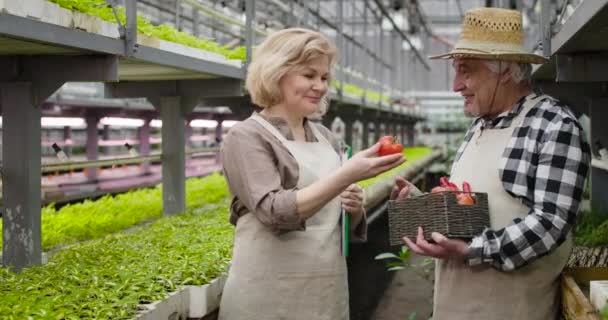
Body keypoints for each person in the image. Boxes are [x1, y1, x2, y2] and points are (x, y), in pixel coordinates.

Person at [392, 7, 590, 320]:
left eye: (466, 70)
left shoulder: (553, 126)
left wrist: (471, 250)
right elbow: (472, 205)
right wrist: (423, 205)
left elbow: (551, 224)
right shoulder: (481, 126)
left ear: (505, 69)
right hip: (453, 307)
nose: (455, 85)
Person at [218, 28, 405, 320]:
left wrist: (354, 209)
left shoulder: (326, 138)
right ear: (277, 72)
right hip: (266, 295)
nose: (320, 86)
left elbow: (336, 222)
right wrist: (345, 175)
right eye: (309, 75)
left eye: (324, 77)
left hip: (324, 289)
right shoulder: (246, 137)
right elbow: (274, 212)